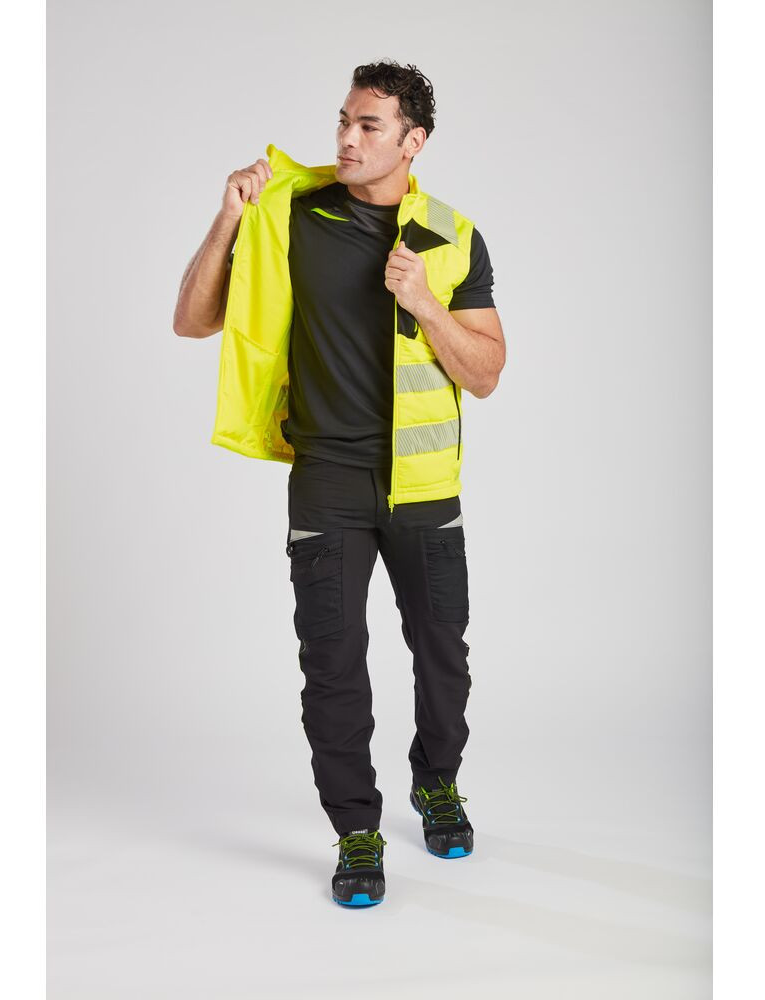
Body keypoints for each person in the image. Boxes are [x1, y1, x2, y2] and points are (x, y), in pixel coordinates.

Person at [173, 60, 506, 908]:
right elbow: (193, 320)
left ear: (413, 141)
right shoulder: (290, 212)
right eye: (344, 122)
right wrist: (227, 219)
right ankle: (357, 830)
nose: (347, 139)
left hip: (423, 485)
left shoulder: (452, 236)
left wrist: (427, 305)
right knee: (332, 666)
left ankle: (438, 783)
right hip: (327, 478)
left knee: (444, 657)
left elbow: (486, 372)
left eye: (369, 126)